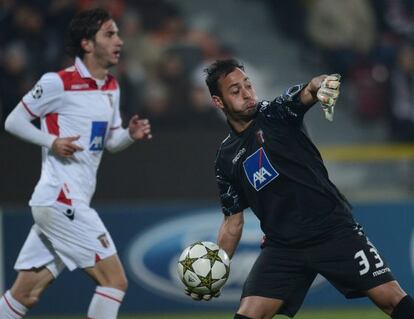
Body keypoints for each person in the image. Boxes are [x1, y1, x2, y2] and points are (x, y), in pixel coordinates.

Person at [185, 58, 414, 319]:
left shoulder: (275, 113)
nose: (247, 93)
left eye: (247, 85)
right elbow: (232, 222)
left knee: (391, 299)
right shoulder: (225, 158)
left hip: (333, 231)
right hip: (283, 247)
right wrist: (217, 268)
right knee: (249, 315)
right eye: (235, 91)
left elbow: (307, 91)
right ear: (218, 102)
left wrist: (323, 85)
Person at [1, 8, 152, 319]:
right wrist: (51, 141)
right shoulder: (58, 82)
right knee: (115, 281)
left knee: (25, 294)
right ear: (87, 43)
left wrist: (129, 135)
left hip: (65, 203)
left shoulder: (111, 86)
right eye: (110, 34)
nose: (119, 41)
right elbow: (13, 121)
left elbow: (109, 142)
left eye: (118, 34)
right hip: (60, 200)